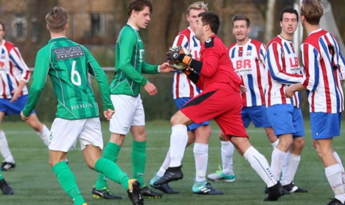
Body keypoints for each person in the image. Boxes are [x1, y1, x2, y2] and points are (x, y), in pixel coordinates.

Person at [20, 6, 149, 205]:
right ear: (67, 25)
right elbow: (100, 76)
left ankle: (80, 202)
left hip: (69, 113)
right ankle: (128, 181)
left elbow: (37, 86)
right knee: (94, 160)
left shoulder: (46, 52)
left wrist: (27, 110)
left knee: (56, 159)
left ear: (47, 26)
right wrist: (106, 102)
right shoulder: (81, 49)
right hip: (90, 110)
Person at [153, 11, 284, 201]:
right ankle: (273, 185)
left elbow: (208, 69)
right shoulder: (210, 45)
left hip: (221, 94)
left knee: (177, 120)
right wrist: (185, 68)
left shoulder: (210, 42)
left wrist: (186, 58)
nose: (194, 26)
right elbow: (204, 81)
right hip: (228, 96)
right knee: (242, 144)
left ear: (207, 27)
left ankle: (174, 168)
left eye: (197, 23)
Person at [92, 0, 172, 199]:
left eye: (149, 15)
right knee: (117, 138)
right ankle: (100, 186)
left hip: (133, 95)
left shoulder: (135, 34)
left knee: (140, 134)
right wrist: (145, 82)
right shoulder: (128, 33)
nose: (148, 19)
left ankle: (141, 183)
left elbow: (138, 64)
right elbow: (124, 65)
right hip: (122, 94)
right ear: (134, 13)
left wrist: (157, 69)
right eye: (145, 14)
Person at [286, 1, 345, 204]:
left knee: (323, 149)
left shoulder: (308, 44)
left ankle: (341, 197)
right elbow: (343, 68)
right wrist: (335, 88)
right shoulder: (330, 37)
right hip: (334, 99)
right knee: (320, 145)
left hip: (324, 102)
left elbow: (311, 81)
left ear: (302, 18)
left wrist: (291, 89)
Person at [149, 1, 222, 195]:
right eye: (194, 16)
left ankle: (159, 177)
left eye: (201, 16)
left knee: (189, 137)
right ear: (188, 18)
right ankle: (200, 183)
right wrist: (184, 64)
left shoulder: (207, 38)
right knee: (204, 131)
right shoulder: (183, 37)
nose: (197, 19)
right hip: (186, 91)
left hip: (201, 92)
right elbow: (172, 61)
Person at [207, 14, 278, 184]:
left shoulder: (259, 48)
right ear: (233, 30)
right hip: (237, 103)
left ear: (248, 29)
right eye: (236, 27)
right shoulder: (229, 51)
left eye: (242, 26)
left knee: (273, 135)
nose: (239, 29)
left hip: (260, 100)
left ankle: (279, 175)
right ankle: (228, 172)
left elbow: (272, 70)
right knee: (224, 135)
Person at [264, 7, 307, 193]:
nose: (290, 23)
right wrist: (304, 80)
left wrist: (304, 76)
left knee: (299, 142)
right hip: (277, 100)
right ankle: (272, 184)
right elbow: (276, 73)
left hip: (293, 102)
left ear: (297, 24)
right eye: (286, 20)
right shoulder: (275, 45)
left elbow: (296, 73)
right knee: (286, 140)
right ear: (280, 23)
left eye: (293, 20)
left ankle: (287, 182)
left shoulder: (291, 47)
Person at [0, 21, 50, 171]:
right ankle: (9, 159)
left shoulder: (10, 50)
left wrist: (18, 88)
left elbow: (25, 71)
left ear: (3, 32)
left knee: (35, 125)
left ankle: (58, 153)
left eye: (0, 29)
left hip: (19, 95)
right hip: (1, 97)